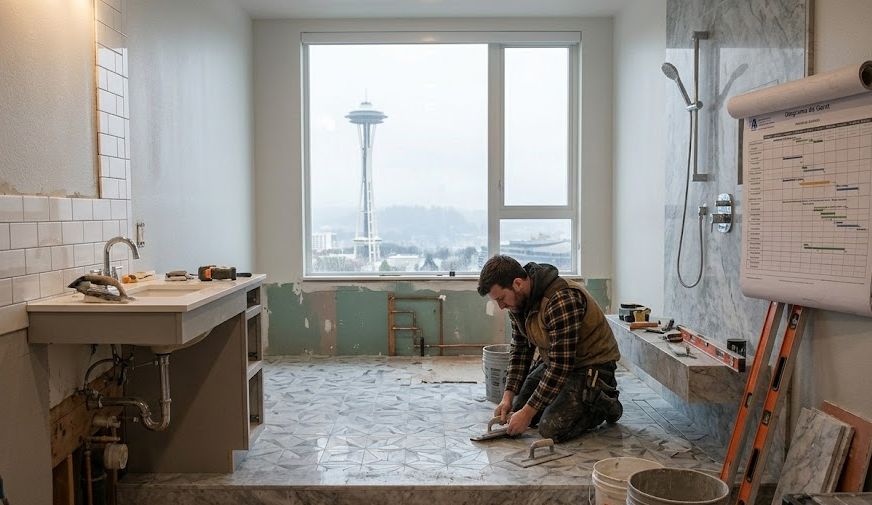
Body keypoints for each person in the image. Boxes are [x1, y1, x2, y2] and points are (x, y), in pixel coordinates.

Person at [477, 255, 623, 442]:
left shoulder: (561, 299)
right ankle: (566, 398)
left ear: (517, 283)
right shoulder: (518, 302)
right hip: (556, 361)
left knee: (551, 427)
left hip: (591, 367)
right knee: (518, 408)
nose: (501, 306)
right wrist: (507, 397)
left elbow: (561, 366)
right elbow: (520, 350)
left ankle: (606, 403)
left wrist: (528, 413)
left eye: (501, 298)